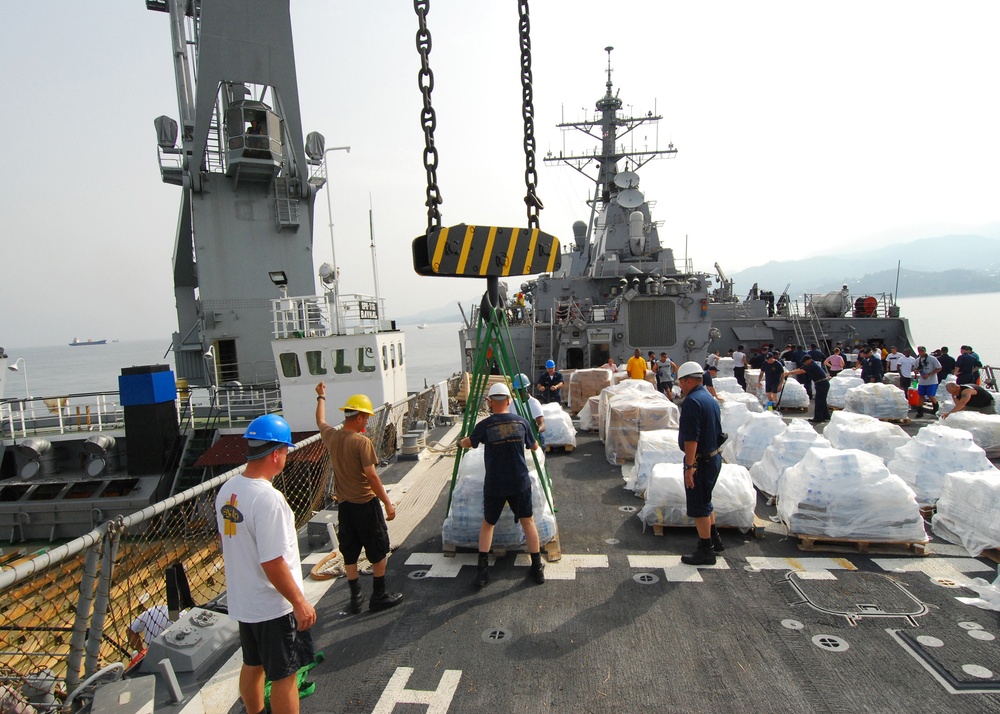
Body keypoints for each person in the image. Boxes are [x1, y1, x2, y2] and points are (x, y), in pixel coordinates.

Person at [216, 414, 316, 714]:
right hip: (272, 607)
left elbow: (227, 542)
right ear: (275, 454)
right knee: (285, 674)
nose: (286, 457)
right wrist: (299, 602)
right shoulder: (269, 500)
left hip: (244, 602)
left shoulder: (228, 490)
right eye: (285, 451)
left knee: (253, 664)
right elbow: (272, 561)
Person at [315, 386, 403, 613]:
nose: (367, 423)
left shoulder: (332, 437)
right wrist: (387, 503)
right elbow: (372, 476)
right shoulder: (362, 443)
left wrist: (321, 396)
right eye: (366, 418)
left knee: (350, 552)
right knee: (378, 549)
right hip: (366, 504)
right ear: (360, 417)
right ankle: (379, 595)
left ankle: (355, 599)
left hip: (345, 507)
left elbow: (320, 420)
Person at [458, 383, 545, 587]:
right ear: (508, 401)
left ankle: (482, 572)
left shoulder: (485, 425)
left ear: (489, 403)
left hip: (495, 484)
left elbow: (470, 442)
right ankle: (537, 567)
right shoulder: (522, 423)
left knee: (488, 524)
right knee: (528, 522)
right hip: (519, 482)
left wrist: (460, 443)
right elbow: (534, 446)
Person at [675, 362, 725, 565]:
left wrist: (689, 467)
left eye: (680, 382)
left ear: (688, 380)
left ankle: (706, 551)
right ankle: (715, 540)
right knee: (706, 499)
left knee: (699, 505)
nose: (680, 386)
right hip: (714, 457)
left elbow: (691, 438)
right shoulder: (708, 398)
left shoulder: (692, 402)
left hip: (701, 461)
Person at [780, 355, 830, 423]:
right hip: (820, 383)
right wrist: (789, 372)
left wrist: (790, 373)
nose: (804, 363)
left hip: (822, 383)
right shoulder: (808, 365)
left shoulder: (812, 365)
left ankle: (818, 418)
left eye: (805, 362)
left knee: (819, 401)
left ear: (809, 360)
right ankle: (826, 416)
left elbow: (801, 371)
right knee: (822, 400)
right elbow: (799, 369)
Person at [511, 373, 546, 447]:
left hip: (534, 439)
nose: (518, 394)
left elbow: (542, 425)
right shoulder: (513, 404)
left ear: (527, 389)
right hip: (519, 438)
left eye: (520, 391)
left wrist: (536, 430)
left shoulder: (534, 404)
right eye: (516, 392)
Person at [913, 346, 941, 418]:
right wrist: (916, 371)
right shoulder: (917, 360)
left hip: (932, 380)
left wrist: (930, 374)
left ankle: (935, 408)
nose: (921, 352)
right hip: (922, 381)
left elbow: (939, 368)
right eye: (919, 351)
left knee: (931, 395)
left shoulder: (932, 359)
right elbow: (915, 368)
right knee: (921, 395)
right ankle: (920, 411)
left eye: (922, 351)